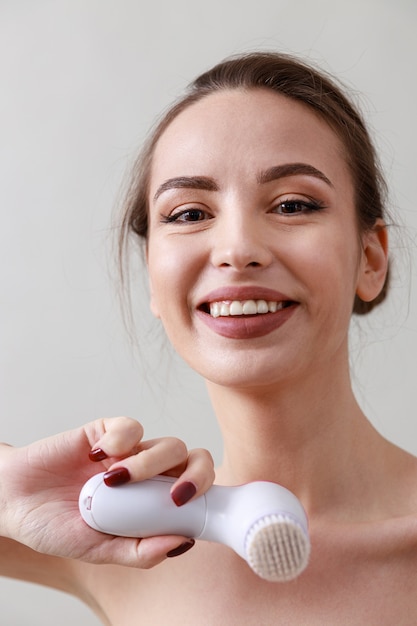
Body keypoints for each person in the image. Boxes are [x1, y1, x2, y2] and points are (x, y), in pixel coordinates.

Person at [1, 51, 416, 625]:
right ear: (154, 274)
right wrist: (9, 488)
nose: (237, 249)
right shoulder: (120, 546)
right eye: (190, 213)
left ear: (370, 259)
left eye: (293, 205)